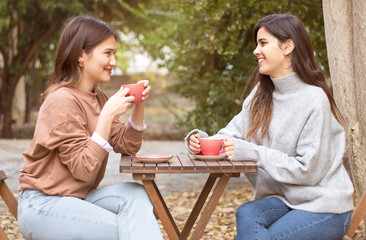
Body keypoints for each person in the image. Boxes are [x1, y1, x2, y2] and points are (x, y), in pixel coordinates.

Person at [186, 13, 354, 240]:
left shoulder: (314, 99)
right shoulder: (260, 95)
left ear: (287, 47)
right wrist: (200, 140)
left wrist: (252, 153)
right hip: (283, 201)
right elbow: (229, 135)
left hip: (324, 205)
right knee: (247, 213)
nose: (256, 50)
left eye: (263, 43)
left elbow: (308, 172)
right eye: (257, 44)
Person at [17, 16, 163, 240]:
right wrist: (106, 116)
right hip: (43, 205)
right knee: (130, 230)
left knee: (136, 195)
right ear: (81, 56)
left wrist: (138, 105)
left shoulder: (99, 97)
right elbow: (83, 169)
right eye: (107, 53)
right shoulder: (61, 100)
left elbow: (128, 145)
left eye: (114, 53)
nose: (113, 62)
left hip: (77, 198)